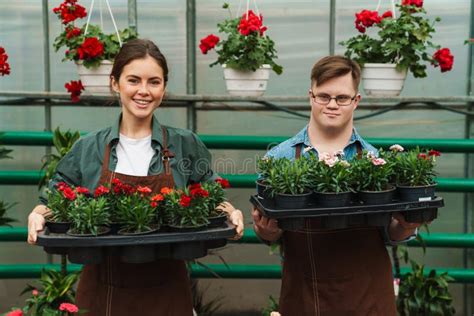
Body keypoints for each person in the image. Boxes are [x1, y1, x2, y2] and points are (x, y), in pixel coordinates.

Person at [27, 38, 244, 316]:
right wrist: (37, 214)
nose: (144, 91)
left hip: (168, 292)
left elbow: (210, 191)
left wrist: (231, 212)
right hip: (103, 292)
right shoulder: (90, 147)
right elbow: (57, 193)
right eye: (133, 80)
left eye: (154, 82)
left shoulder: (183, 143)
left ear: (164, 88)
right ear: (115, 83)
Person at [252, 56, 423, 315]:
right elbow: (270, 231)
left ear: (356, 101)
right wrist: (266, 231)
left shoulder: (375, 160)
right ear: (311, 96)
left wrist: (407, 224)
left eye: (342, 98)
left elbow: (391, 233)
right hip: (305, 295)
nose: (332, 105)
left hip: (367, 297)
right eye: (324, 96)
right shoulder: (280, 158)